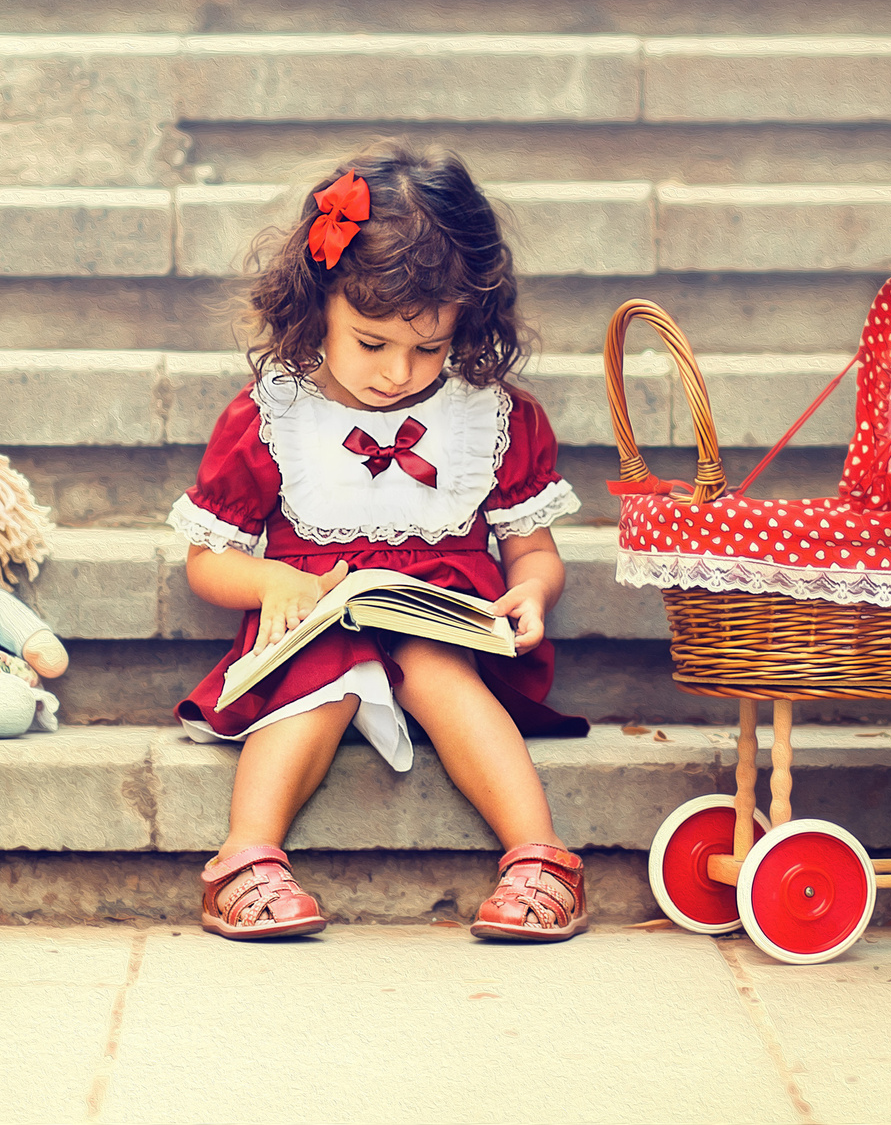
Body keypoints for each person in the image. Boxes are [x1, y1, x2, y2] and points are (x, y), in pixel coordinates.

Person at [170, 143, 592, 942]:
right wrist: (271, 584)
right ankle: (246, 861)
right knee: (317, 684)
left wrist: (531, 590)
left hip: (443, 625)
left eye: (428, 346)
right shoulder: (273, 416)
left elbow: (531, 550)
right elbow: (207, 559)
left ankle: (542, 861)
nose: (399, 372)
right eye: (371, 342)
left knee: (437, 668)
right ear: (317, 303)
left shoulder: (487, 414)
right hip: (315, 624)